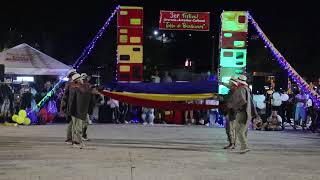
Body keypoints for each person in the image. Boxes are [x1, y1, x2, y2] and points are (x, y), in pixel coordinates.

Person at [227, 75, 259, 154]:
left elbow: (242, 101)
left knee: (239, 131)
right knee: (243, 131)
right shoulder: (247, 89)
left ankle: (245, 146)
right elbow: (251, 103)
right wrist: (255, 114)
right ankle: (243, 147)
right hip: (247, 113)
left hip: (242, 113)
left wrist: (232, 106)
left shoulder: (240, 89)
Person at [66, 73, 93, 149]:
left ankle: (76, 142)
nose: (82, 80)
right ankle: (77, 142)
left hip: (75, 110)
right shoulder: (75, 87)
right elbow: (84, 92)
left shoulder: (74, 86)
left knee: (75, 127)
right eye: (80, 79)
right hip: (76, 110)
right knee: (77, 127)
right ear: (77, 80)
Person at [60, 69, 77, 144]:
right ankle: (70, 139)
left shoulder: (71, 83)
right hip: (71, 106)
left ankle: (70, 138)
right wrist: (63, 107)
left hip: (71, 105)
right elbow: (66, 97)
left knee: (72, 122)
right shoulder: (71, 83)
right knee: (72, 123)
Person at [223, 76, 238, 149]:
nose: (228, 84)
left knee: (231, 129)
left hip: (233, 113)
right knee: (228, 128)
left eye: (230, 83)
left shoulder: (236, 92)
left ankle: (232, 144)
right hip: (229, 112)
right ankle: (231, 143)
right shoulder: (231, 91)